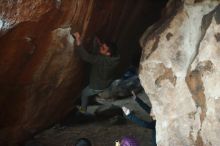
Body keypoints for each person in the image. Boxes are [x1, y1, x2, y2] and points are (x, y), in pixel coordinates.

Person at [73, 32, 120, 113]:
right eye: (102, 46)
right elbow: (103, 53)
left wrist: (78, 39)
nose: (101, 47)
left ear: (108, 54)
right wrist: (99, 44)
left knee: (84, 93)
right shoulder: (115, 58)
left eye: (103, 48)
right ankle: (99, 94)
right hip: (106, 82)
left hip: (97, 86)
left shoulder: (101, 60)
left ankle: (83, 110)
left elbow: (86, 57)